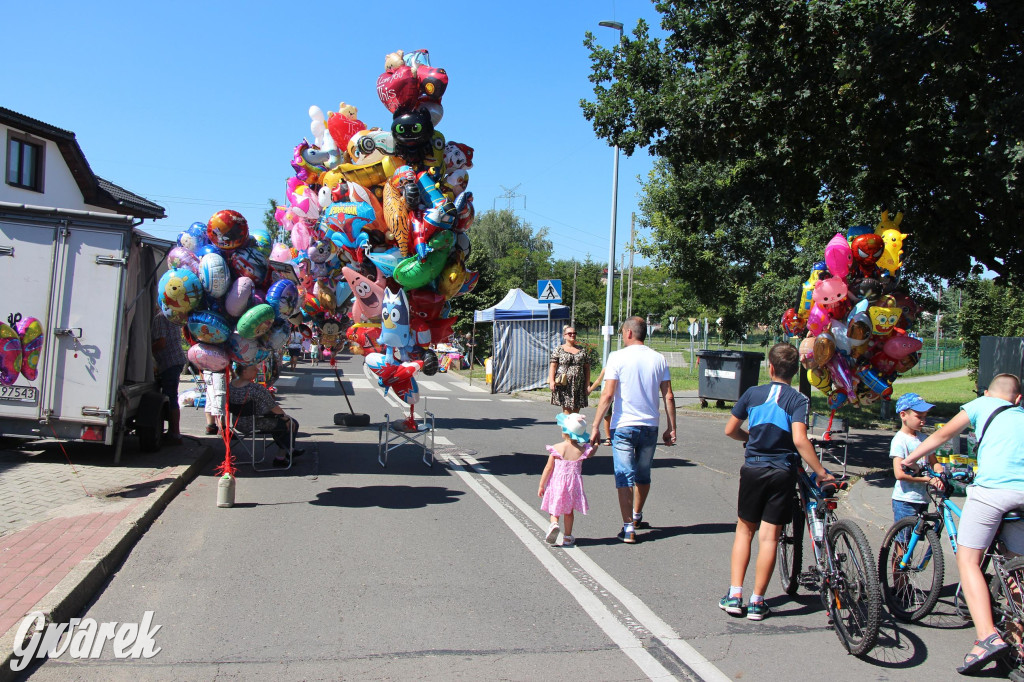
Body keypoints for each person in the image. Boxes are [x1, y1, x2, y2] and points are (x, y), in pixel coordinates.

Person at [903, 373, 1024, 674]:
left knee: (968, 559)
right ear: (1018, 399)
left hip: (993, 492)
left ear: (986, 393)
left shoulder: (981, 404)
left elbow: (942, 435)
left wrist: (911, 459)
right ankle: (1019, 632)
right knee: (1015, 565)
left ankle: (986, 637)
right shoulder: (1021, 414)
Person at [722, 343, 833, 621]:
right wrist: (819, 471)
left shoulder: (752, 393)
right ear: (795, 372)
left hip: (754, 468)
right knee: (770, 536)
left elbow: (730, 429)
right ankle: (758, 601)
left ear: (769, 367)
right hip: (782, 470)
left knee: (745, 530)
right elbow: (799, 440)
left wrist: (750, 439)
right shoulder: (798, 400)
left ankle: (735, 595)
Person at [589, 317, 676, 544]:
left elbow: (607, 395)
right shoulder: (659, 358)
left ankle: (628, 527)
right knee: (643, 473)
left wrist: (595, 425)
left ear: (628, 333)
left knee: (624, 475)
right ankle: (637, 515)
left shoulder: (617, 357)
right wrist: (671, 428)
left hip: (624, 426)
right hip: (650, 426)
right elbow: (668, 395)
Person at [889, 393, 944, 543]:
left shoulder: (923, 439)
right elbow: (899, 474)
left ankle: (908, 565)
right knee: (903, 542)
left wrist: (939, 473)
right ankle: (899, 567)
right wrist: (928, 480)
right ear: (903, 415)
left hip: (922, 498)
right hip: (905, 500)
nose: (923, 421)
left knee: (913, 540)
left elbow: (934, 461)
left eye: (925, 416)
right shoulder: (900, 441)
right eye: (919, 416)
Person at [228, 363, 304, 467]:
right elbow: (273, 407)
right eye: (253, 369)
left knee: (277, 423)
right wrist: (286, 418)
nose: (256, 370)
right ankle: (281, 457)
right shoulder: (255, 388)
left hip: (238, 423)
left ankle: (289, 449)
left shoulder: (230, 387)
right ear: (244, 372)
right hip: (256, 423)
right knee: (291, 423)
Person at [538, 413, 596, 548]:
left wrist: (542, 485)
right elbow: (591, 451)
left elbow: (548, 468)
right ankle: (568, 537)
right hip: (573, 486)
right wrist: (596, 442)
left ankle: (554, 524)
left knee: (555, 508)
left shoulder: (557, 448)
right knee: (569, 512)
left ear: (565, 431)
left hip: (557, 484)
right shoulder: (581, 450)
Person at [151, 312, 186, 445]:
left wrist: (146, 350)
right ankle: (174, 432)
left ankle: (175, 434)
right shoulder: (172, 316)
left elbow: (161, 343)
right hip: (175, 361)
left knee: (170, 395)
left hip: (169, 362)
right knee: (172, 395)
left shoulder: (160, 318)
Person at [549, 326, 591, 414]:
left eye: (574, 333)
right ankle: (566, 428)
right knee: (567, 412)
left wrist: (587, 385)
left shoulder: (582, 350)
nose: (572, 335)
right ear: (564, 336)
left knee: (576, 414)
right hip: (565, 384)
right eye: (570, 333)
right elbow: (553, 366)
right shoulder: (559, 349)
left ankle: (574, 428)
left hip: (579, 384)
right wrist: (552, 381)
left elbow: (587, 368)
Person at [587, 368, 613, 445]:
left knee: (615, 416)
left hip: (617, 396)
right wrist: (590, 390)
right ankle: (608, 437)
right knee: (607, 416)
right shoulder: (606, 369)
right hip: (606, 395)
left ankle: (614, 436)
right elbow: (598, 380)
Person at [203, 369, 227, 435]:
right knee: (219, 398)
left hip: (207, 371)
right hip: (218, 371)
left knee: (210, 397)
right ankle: (222, 428)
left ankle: (211, 426)